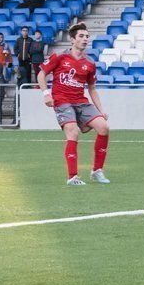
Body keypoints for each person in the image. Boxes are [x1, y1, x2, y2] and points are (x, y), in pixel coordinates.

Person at [37, 23, 110, 185]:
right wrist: (46, 94)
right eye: (81, 36)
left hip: (81, 102)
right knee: (73, 132)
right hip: (62, 100)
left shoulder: (90, 63)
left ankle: (97, 171)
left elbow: (92, 89)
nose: (85, 39)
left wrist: (101, 110)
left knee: (103, 127)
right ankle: (72, 177)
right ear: (72, 40)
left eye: (87, 36)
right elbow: (41, 75)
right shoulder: (60, 57)